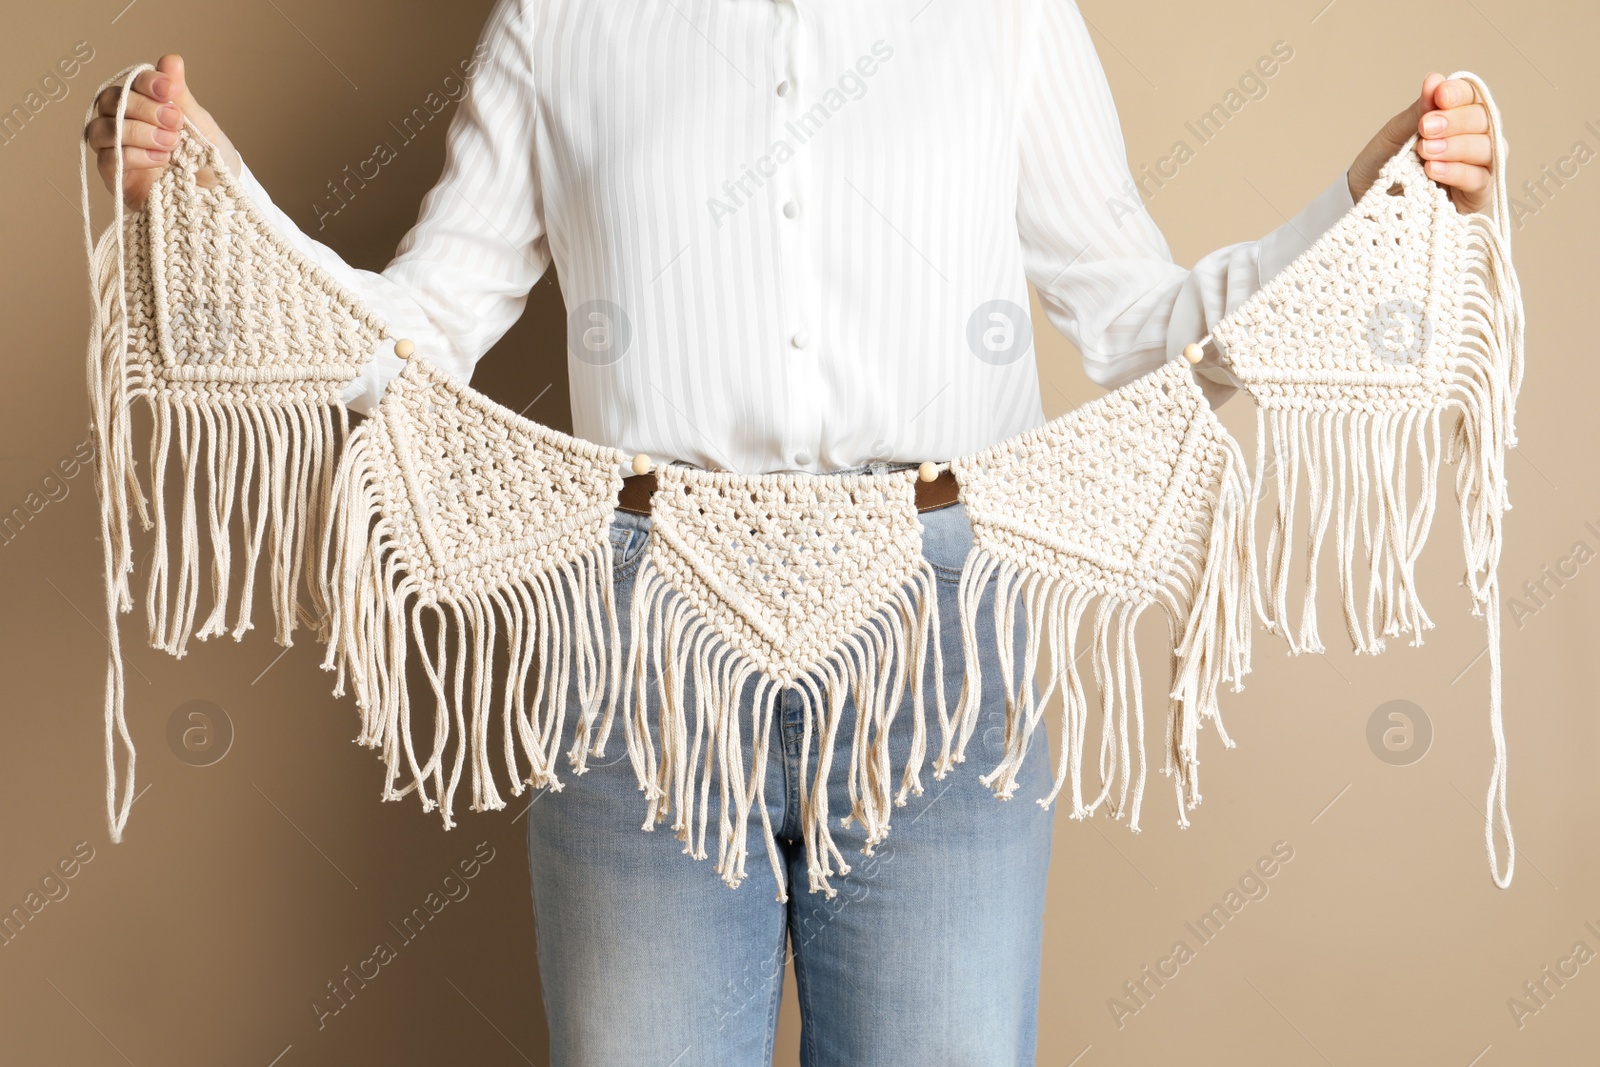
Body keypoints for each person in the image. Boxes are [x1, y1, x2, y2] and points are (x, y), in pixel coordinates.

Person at [86, 2, 1495, 1064]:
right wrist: (210, 205)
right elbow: (420, 332)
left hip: (942, 641)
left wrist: (1367, 204)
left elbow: (1141, 322)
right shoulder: (563, 18)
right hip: (642, 641)